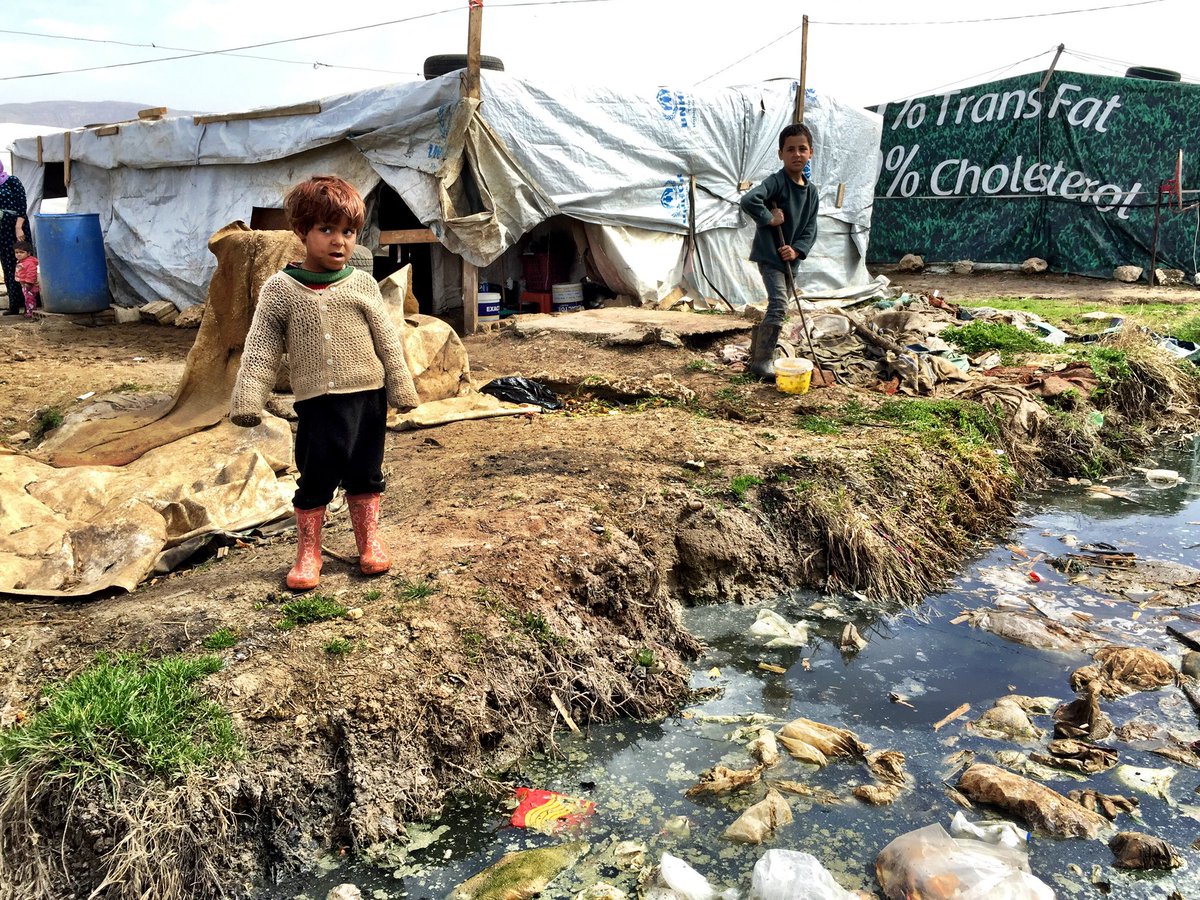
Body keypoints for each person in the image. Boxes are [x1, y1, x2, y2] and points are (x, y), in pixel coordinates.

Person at [230, 175, 420, 590]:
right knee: (316, 476)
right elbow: (261, 347)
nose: (339, 241)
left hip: (368, 398)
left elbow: (387, 339)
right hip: (318, 403)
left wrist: (400, 386)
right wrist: (248, 398)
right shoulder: (280, 290)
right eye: (327, 230)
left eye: (348, 232)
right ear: (301, 231)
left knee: (366, 472)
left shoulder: (363, 284)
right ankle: (308, 552)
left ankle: (369, 542)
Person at [739, 122, 820, 380]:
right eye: (790, 149)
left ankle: (757, 351)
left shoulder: (812, 192)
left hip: (789, 260)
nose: (797, 154)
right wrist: (768, 218)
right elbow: (749, 199)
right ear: (780, 154)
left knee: (777, 306)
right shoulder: (777, 182)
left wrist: (796, 251)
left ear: (811, 152)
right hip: (770, 256)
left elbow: (810, 228)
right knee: (779, 305)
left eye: (802, 149)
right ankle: (762, 362)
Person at [0, 160, 29, 317]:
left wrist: (19, 227)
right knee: (8, 265)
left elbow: (21, 205)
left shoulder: (12, 181)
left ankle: (29, 302)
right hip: (2, 231)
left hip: (17, 228)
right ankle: (14, 305)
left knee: (24, 263)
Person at [13, 241, 38, 318]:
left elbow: (32, 273)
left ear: (28, 253)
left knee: (29, 299)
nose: (18, 254)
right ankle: (30, 311)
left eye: (21, 252)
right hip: (25, 284)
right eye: (16, 252)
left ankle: (31, 312)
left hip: (30, 285)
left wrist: (28, 283)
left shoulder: (29, 263)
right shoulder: (23, 261)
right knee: (28, 298)